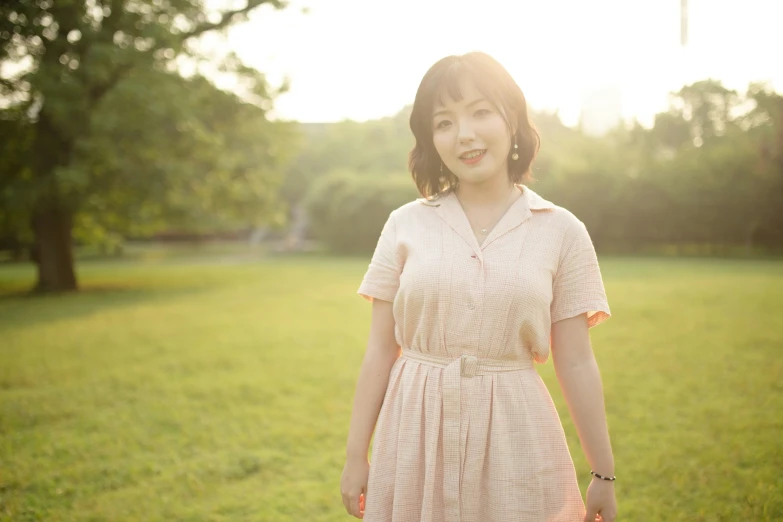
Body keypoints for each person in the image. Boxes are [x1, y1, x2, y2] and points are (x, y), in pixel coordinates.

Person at [340, 51, 618, 522]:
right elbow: (379, 350)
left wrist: (603, 473)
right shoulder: (404, 224)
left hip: (516, 433)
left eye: (480, 112)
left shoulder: (561, 231)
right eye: (443, 121)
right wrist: (354, 456)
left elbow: (575, 359)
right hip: (413, 433)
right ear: (431, 139)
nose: (464, 133)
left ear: (512, 120)